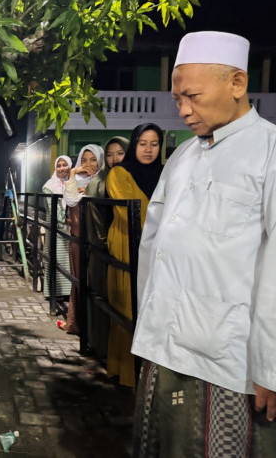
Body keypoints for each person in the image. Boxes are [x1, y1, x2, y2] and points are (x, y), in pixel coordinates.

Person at [132, 31, 276, 457]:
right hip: (165, 346)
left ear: (236, 84)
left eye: (192, 96)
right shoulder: (182, 158)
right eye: (177, 99)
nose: (184, 111)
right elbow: (154, 245)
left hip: (228, 358)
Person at [105, 123, 163, 388]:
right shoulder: (119, 173)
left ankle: (149, 374)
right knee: (128, 308)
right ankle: (126, 371)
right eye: (142, 143)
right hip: (128, 247)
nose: (148, 150)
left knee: (153, 311)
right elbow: (133, 212)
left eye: (154, 144)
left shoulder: (165, 174)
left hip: (158, 250)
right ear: (134, 144)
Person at [60, 145, 105, 346]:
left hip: (99, 242)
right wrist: (73, 173)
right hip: (79, 241)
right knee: (79, 281)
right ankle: (79, 323)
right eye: (84, 160)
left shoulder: (104, 183)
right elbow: (70, 201)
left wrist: (89, 191)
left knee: (97, 284)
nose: (88, 165)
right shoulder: (76, 181)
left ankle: (95, 330)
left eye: (93, 160)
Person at [41, 155, 73, 300]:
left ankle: (68, 292)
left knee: (68, 259)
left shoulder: (73, 184)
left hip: (70, 227)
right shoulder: (49, 186)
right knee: (55, 256)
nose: (62, 168)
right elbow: (52, 207)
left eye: (65, 165)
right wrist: (65, 221)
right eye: (59, 165)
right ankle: (54, 291)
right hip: (55, 226)